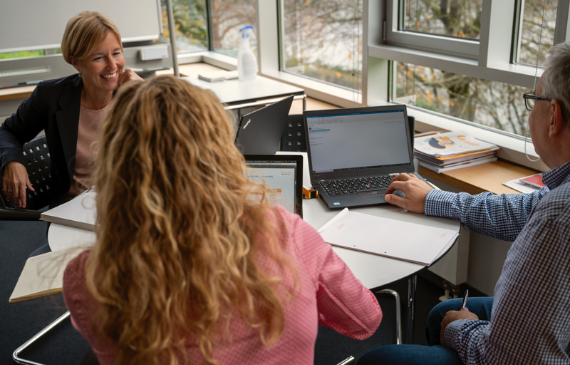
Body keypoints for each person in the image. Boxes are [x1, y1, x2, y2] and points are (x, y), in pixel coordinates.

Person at [62, 75, 382, 365]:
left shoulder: (88, 277)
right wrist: (300, 300)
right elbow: (365, 321)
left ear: (115, 164)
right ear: (220, 151)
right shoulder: (286, 231)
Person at [358, 42, 570, 365]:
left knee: (376, 360)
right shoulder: (558, 197)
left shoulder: (558, 217)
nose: (531, 114)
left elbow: (504, 360)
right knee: (440, 312)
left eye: (533, 101)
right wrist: (432, 199)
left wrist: (461, 329)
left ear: (553, 117)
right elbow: (516, 212)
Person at [0, 11, 141, 209]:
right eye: (99, 57)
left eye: (116, 53)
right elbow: (7, 131)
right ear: (76, 63)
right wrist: (13, 161)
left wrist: (149, 95)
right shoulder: (50, 96)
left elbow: (178, 142)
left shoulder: (136, 94)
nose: (112, 66)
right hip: (75, 210)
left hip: (130, 204)